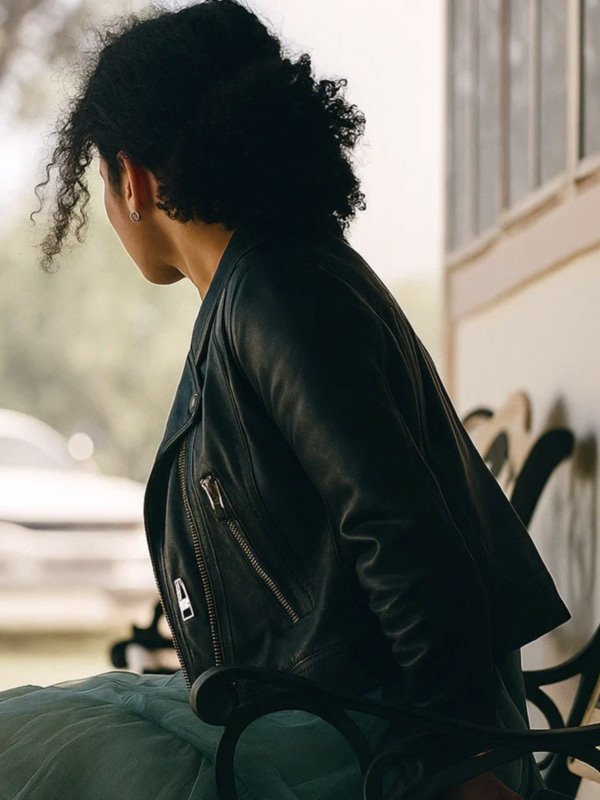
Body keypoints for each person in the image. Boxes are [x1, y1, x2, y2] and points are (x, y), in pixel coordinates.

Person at [0, 1, 571, 798]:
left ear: (132, 180)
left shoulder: (276, 292)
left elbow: (398, 529)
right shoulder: (274, 283)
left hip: (378, 737)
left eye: (101, 177)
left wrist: (461, 767)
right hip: (326, 715)